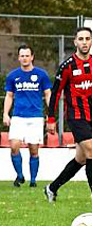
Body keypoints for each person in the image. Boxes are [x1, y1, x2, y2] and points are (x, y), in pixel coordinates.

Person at [44, 27, 92, 203]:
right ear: (75, 42)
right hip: (75, 117)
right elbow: (56, 94)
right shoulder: (67, 66)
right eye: (81, 39)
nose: (84, 42)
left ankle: (52, 188)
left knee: (81, 158)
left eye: (87, 39)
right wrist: (51, 119)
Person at [3, 44, 51, 188]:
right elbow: (9, 95)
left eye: (27, 56)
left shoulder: (41, 75)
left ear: (32, 57)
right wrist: (5, 113)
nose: (24, 58)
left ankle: (33, 180)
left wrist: (51, 113)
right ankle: (19, 176)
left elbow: (48, 93)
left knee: (34, 149)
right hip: (18, 116)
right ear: (19, 58)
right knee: (14, 146)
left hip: (35, 116)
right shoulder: (13, 76)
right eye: (22, 56)